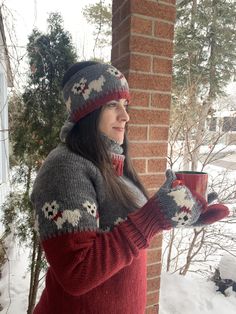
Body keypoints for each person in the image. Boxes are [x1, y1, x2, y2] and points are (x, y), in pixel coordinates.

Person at [31, 61, 229, 314]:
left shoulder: (113, 164)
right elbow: (77, 274)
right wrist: (155, 217)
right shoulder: (65, 167)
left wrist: (177, 216)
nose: (125, 116)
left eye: (125, 104)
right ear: (86, 111)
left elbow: (125, 230)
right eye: (112, 105)